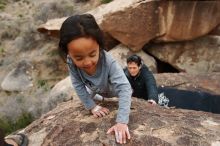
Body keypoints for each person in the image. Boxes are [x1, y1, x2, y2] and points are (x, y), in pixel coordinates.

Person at [58, 14, 132, 144]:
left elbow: (124, 88)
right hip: (97, 91)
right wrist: (92, 107)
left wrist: (121, 122)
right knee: (92, 94)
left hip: (114, 91)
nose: (87, 62)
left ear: (100, 46)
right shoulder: (71, 62)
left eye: (92, 54)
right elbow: (78, 85)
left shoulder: (109, 62)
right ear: (68, 53)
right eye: (79, 58)